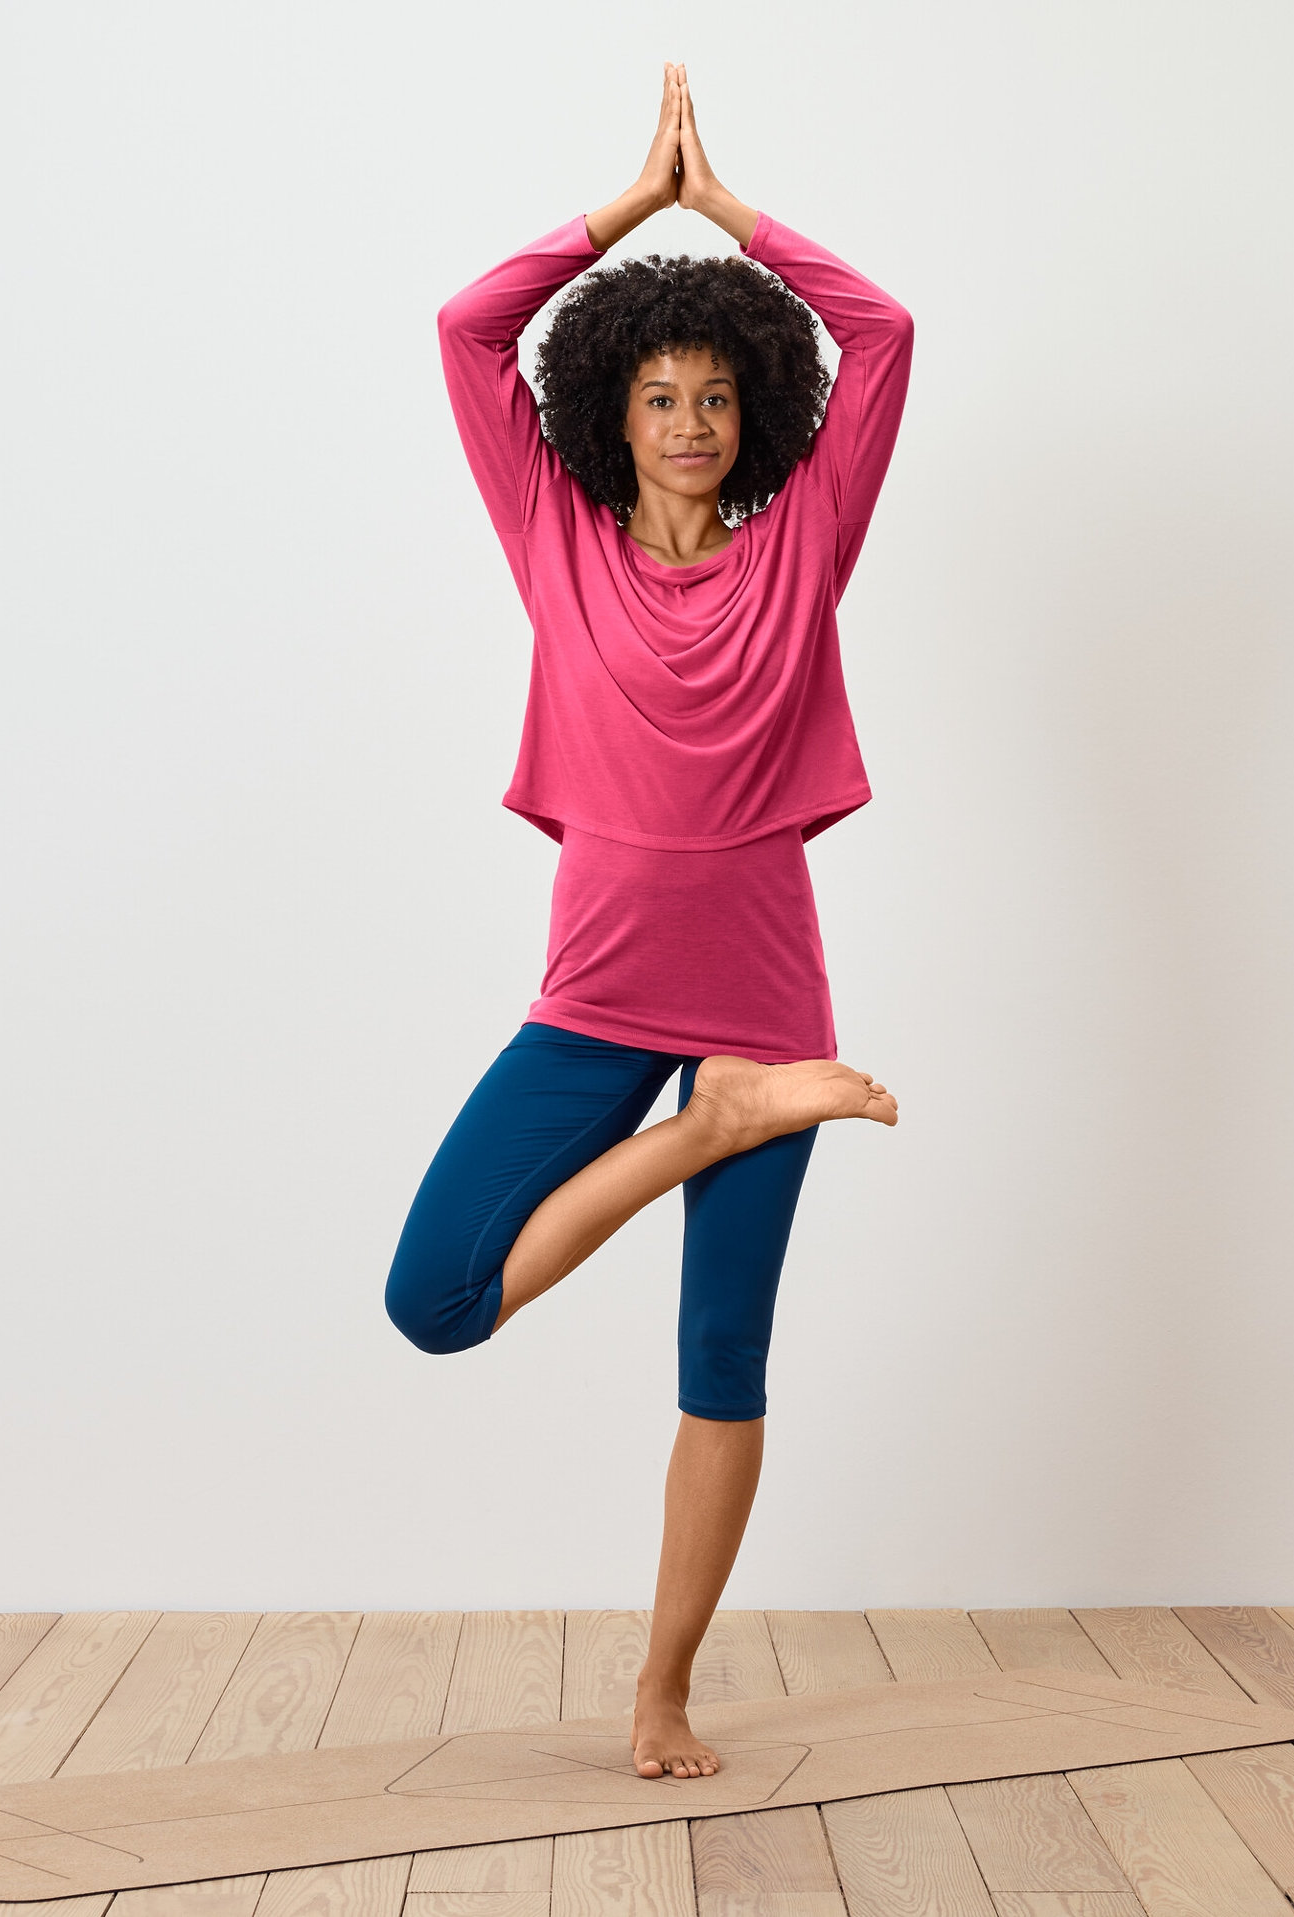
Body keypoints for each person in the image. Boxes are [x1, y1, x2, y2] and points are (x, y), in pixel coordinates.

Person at [386, 63, 913, 1781]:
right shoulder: (553, 534)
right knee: (437, 1298)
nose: (687, 419)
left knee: (720, 1361)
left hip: (763, 989)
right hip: (600, 995)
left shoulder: (803, 541)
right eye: (658, 392)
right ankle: (723, 1128)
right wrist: (632, 208)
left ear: (748, 413)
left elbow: (885, 330)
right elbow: (471, 331)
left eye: (713, 395)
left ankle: (663, 1688)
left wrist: (733, 215)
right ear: (610, 409)